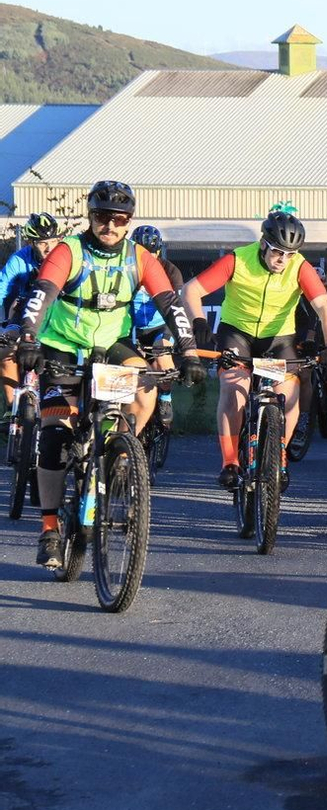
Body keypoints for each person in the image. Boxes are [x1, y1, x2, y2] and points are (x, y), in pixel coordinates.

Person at [12, 181, 204, 572]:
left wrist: (187, 351)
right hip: (61, 344)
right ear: (91, 216)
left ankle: (120, 447)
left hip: (112, 344)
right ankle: (49, 529)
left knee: (145, 386)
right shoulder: (69, 250)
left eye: (119, 219)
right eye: (103, 217)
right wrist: (29, 337)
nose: (110, 225)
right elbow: (42, 294)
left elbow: (171, 304)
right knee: (53, 437)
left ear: (129, 221)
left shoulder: (139, 258)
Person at [183, 210, 327, 490]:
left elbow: (324, 307)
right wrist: (197, 321)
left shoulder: (299, 266)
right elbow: (191, 290)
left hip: (279, 339)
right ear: (264, 244)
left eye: (291, 254)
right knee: (235, 390)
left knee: (288, 397)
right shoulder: (238, 259)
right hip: (237, 334)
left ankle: (278, 454)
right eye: (279, 252)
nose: (284, 260)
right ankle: (229, 462)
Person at [0, 213, 64, 410]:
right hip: (25, 313)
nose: (48, 247)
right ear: (31, 242)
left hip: (58, 316)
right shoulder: (19, 260)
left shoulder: (66, 256)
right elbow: (2, 290)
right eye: (42, 242)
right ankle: (12, 410)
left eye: (53, 241)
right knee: (6, 352)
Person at [128, 225, 184, 425]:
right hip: (131, 325)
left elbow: (176, 306)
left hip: (160, 325)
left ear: (158, 252)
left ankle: (165, 398)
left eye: (151, 254)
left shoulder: (170, 271)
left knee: (163, 357)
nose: (146, 259)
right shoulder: (126, 267)